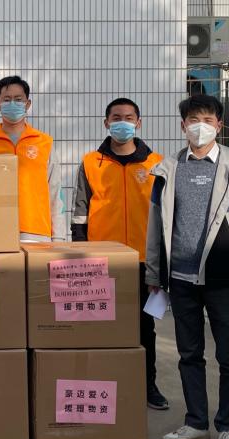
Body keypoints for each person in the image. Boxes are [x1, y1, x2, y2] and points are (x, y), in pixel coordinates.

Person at [145, 94, 229, 439]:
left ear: (219, 125)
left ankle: (228, 427)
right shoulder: (167, 170)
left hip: (224, 279)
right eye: (194, 120)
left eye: (208, 120)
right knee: (189, 354)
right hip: (180, 279)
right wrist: (154, 272)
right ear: (183, 126)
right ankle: (196, 423)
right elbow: (155, 226)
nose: (200, 126)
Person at [72, 97, 168, 410]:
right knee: (100, 325)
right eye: (116, 117)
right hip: (102, 259)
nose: (122, 122)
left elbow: (166, 215)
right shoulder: (91, 162)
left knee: (144, 327)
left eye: (128, 117)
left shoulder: (157, 163)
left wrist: (161, 261)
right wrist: (81, 254)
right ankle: (105, 383)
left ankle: (147, 384)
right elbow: (80, 212)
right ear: (106, 123)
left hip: (143, 260)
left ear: (139, 122)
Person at [0, 75, 66, 242]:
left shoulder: (44, 143)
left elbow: (55, 193)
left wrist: (59, 237)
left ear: (27, 104)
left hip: (37, 232)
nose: (12, 104)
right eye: (6, 100)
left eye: (18, 99)